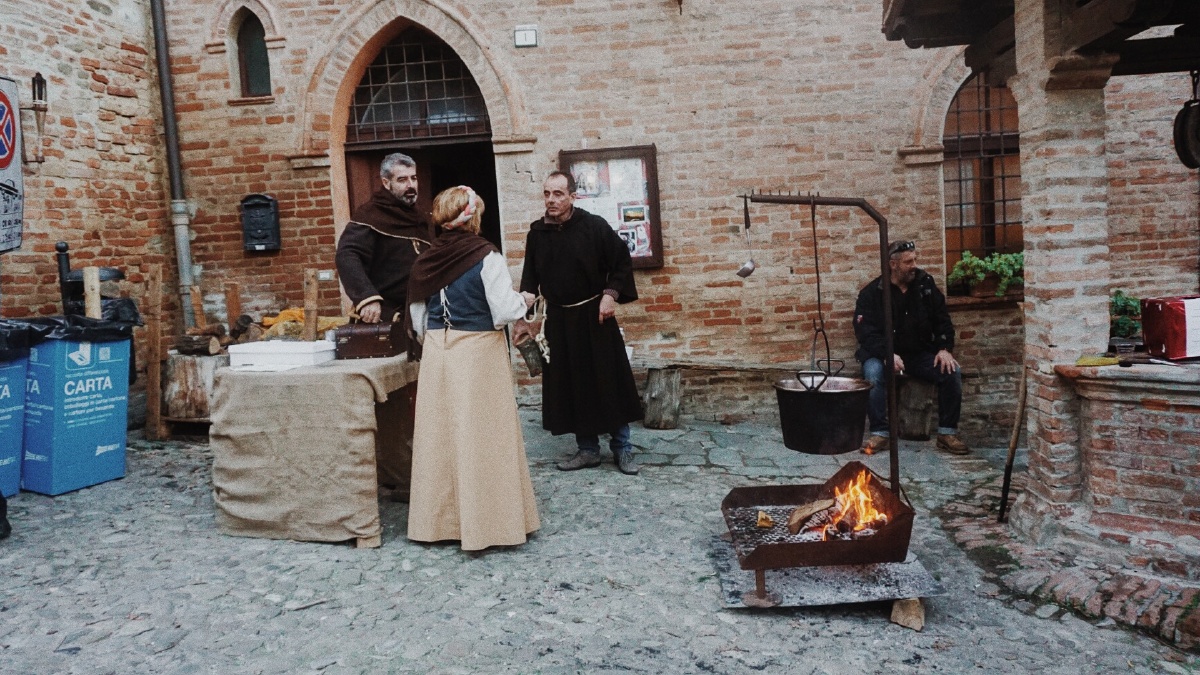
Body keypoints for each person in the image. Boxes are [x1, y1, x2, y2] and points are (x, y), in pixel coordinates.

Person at [404, 186, 540, 551]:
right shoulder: (486, 256)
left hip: (438, 351)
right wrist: (524, 299)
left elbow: (417, 319)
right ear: (472, 216)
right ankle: (490, 526)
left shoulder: (425, 260)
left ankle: (438, 524)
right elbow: (503, 310)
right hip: (478, 351)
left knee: (440, 436)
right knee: (484, 437)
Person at [516, 171, 643, 475]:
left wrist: (610, 295)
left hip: (594, 317)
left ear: (573, 196)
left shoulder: (594, 227)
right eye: (547, 194)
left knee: (607, 380)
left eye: (558, 194)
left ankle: (622, 448)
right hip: (559, 321)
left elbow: (621, 261)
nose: (551, 200)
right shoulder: (537, 234)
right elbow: (530, 277)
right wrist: (525, 308)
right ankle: (587, 450)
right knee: (573, 384)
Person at [853, 239, 970, 456]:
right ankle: (880, 433)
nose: (914, 265)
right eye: (908, 261)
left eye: (915, 259)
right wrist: (887, 354)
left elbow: (942, 319)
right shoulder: (871, 293)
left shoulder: (925, 285)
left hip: (918, 354)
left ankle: (946, 433)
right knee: (872, 373)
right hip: (882, 355)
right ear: (893, 264)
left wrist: (944, 348)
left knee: (952, 370)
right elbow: (865, 333)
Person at [336, 152, 432, 324]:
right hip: (385, 315)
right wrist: (367, 297)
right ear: (386, 183)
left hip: (421, 311)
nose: (411, 185)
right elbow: (347, 254)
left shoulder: (418, 217)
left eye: (414, 178)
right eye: (402, 180)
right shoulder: (371, 214)